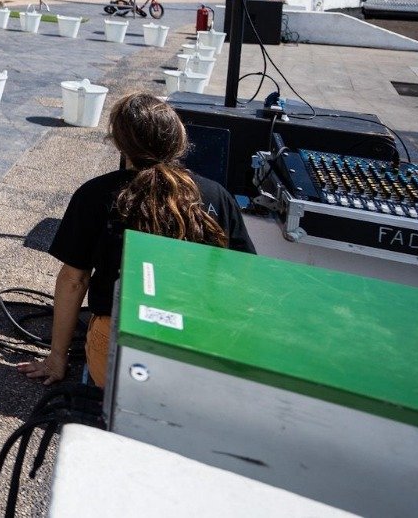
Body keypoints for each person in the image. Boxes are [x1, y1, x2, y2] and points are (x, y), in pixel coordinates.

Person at [20, 92, 255, 388]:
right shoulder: (216, 195)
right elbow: (243, 275)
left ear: (118, 142)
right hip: (199, 347)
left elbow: (74, 280)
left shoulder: (95, 194)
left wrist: (56, 359)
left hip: (121, 349)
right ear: (179, 139)